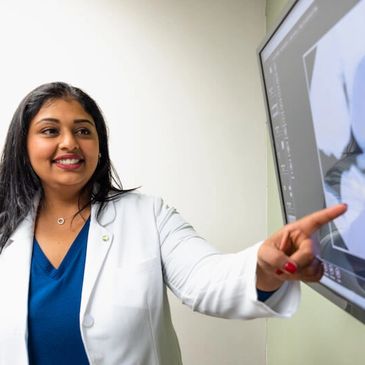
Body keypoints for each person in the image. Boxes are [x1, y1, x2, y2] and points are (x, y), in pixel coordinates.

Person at [0, 82, 346, 365]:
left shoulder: (148, 215)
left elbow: (204, 278)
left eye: (83, 131)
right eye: (49, 131)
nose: (70, 143)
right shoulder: (5, 228)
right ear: (24, 146)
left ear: (99, 147)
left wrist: (263, 267)